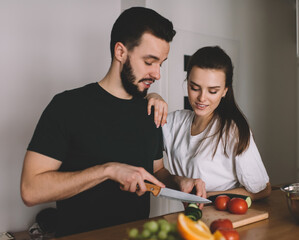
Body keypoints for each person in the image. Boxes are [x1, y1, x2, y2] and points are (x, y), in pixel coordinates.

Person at [20, 7, 205, 237]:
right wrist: (107, 171)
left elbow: (157, 172)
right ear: (120, 51)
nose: (158, 74)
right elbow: (30, 190)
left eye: (161, 63)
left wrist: (180, 183)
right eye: (150, 61)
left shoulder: (151, 110)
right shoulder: (67, 106)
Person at [150, 46, 271, 201]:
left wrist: (210, 198)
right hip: (193, 219)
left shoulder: (233, 131)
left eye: (212, 91)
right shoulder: (175, 122)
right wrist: (153, 96)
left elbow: (263, 189)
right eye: (194, 88)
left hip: (226, 218)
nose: (202, 98)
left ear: (225, 91)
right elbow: (151, 158)